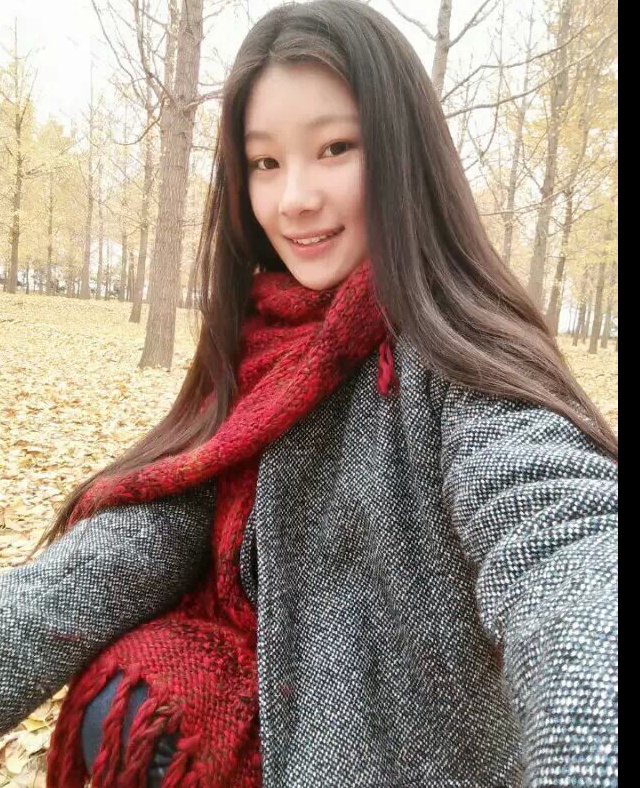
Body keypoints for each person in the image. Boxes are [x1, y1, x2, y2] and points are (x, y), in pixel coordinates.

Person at [0, 0, 618, 786]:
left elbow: (564, 543)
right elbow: (141, 537)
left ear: (405, 155)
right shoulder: (259, 349)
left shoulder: (462, 359)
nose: (293, 197)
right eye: (264, 162)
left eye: (335, 148)